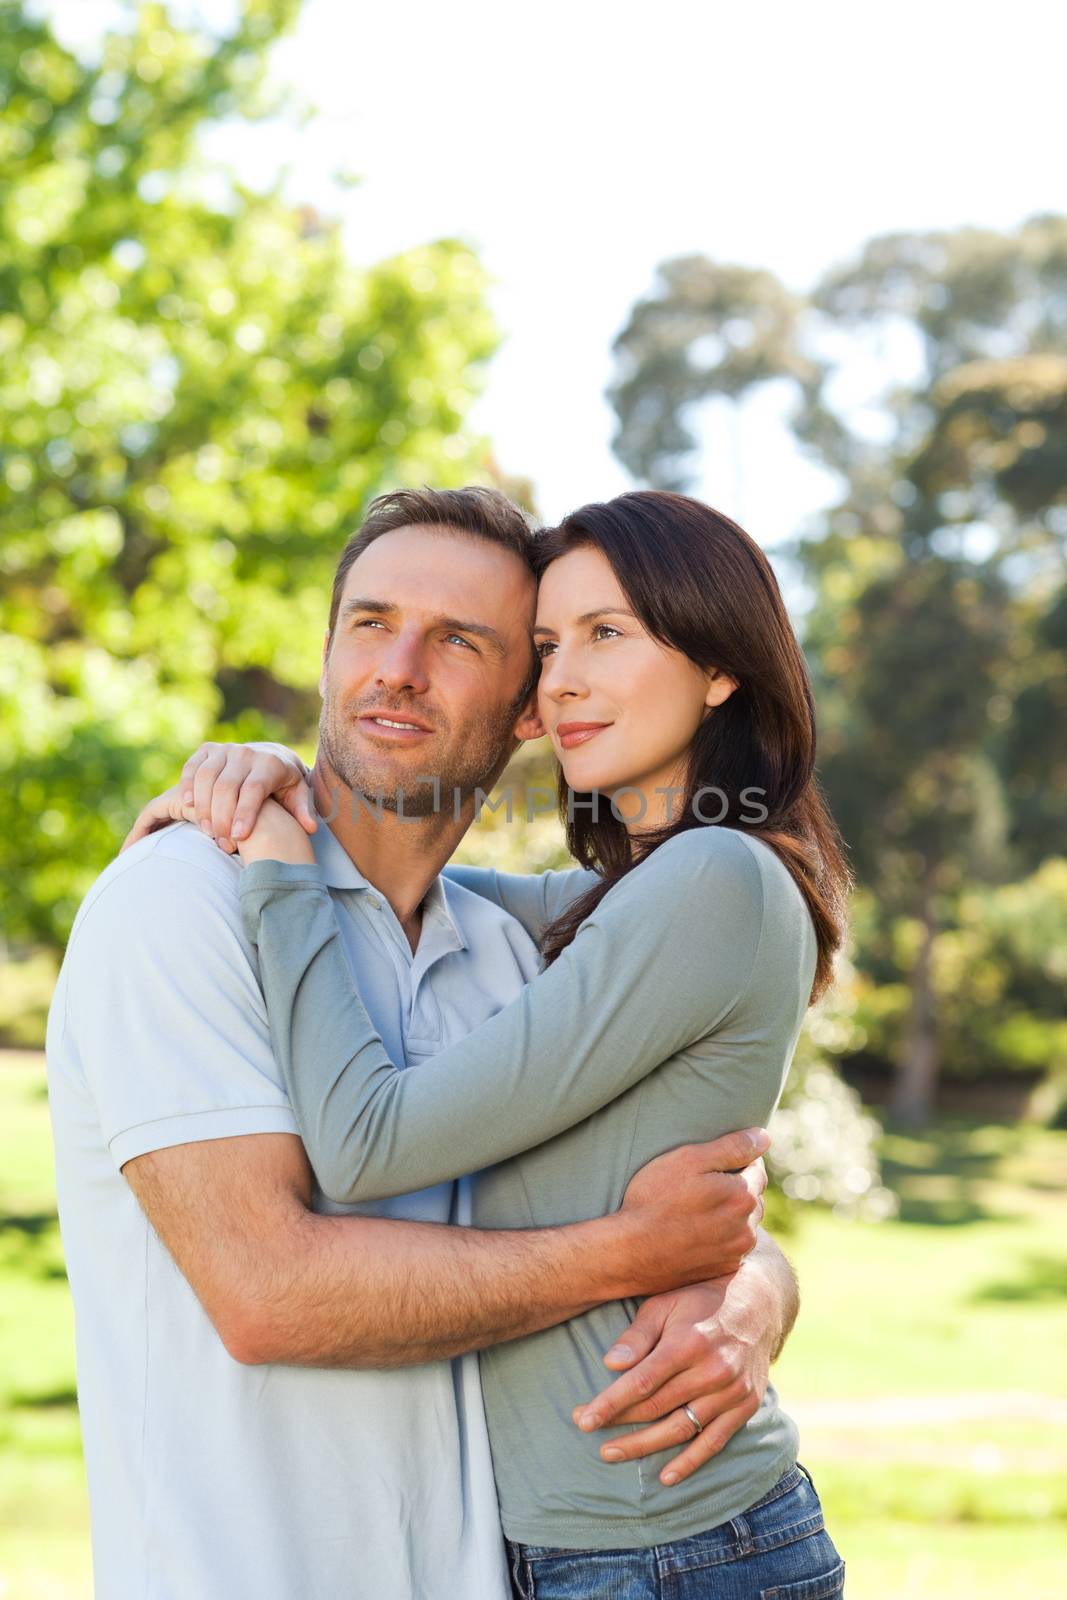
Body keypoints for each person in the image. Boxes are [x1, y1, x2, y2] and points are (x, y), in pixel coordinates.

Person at [50, 486, 800, 1600]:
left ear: (526, 708)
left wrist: (752, 1288)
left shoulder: (513, 947)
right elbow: (267, 1294)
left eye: (459, 640)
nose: (398, 665)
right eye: (370, 621)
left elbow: (683, 1176)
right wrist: (634, 1254)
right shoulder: (179, 905)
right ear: (325, 655)